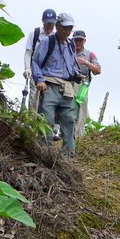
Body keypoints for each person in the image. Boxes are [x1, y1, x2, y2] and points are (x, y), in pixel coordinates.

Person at [31, 12, 84, 154]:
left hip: (67, 87)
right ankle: (45, 153)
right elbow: (35, 62)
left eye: (70, 28)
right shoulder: (47, 42)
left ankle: (68, 156)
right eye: (65, 28)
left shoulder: (71, 44)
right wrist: (39, 80)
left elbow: (71, 64)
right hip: (49, 86)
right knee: (46, 120)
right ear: (57, 26)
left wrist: (77, 75)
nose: (67, 31)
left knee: (69, 120)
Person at [22, 9, 57, 112]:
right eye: (47, 23)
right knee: (33, 97)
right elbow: (28, 52)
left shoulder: (56, 38)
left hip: (50, 73)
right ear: (43, 21)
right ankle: (31, 122)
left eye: (51, 24)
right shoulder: (35, 33)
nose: (49, 26)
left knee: (48, 100)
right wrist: (27, 68)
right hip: (35, 70)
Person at [71, 29, 101, 140]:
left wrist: (86, 63)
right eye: (76, 40)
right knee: (67, 108)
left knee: (81, 109)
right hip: (68, 83)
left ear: (84, 41)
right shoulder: (67, 51)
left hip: (83, 86)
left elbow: (98, 70)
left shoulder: (90, 55)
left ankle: (79, 135)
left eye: (80, 40)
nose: (78, 42)